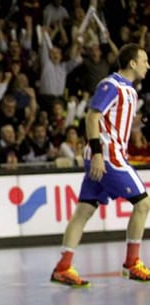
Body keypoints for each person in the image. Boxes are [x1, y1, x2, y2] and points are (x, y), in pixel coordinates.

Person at [50, 43, 150, 287]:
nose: (148, 65)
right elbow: (92, 116)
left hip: (108, 154)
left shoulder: (130, 90)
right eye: (145, 60)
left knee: (83, 211)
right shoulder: (111, 85)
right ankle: (132, 263)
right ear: (133, 63)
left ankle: (63, 267)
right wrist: (96, 153)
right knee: (143, 202)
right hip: (108, 157)